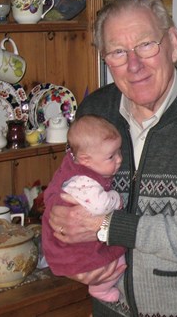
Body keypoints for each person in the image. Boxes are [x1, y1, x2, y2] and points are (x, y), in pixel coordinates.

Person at [47, 0, 177, 316]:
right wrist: (66, 247)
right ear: (105, 59)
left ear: (172, 43)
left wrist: (106, 225)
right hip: (110, 308)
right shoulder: (94, 113)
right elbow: (65, 194)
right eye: (118, 52)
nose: (134, 64)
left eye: (145, 45)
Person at [42, 114, 126, 302]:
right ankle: (100, 290)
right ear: (86, 160)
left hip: (74, 240)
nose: (119, 159)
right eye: (111, 156)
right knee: (114, 262)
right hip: (75, 249)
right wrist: (117, 199)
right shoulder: (84, 181)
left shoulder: (77, 163)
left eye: (119, 152)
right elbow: (100, 205)